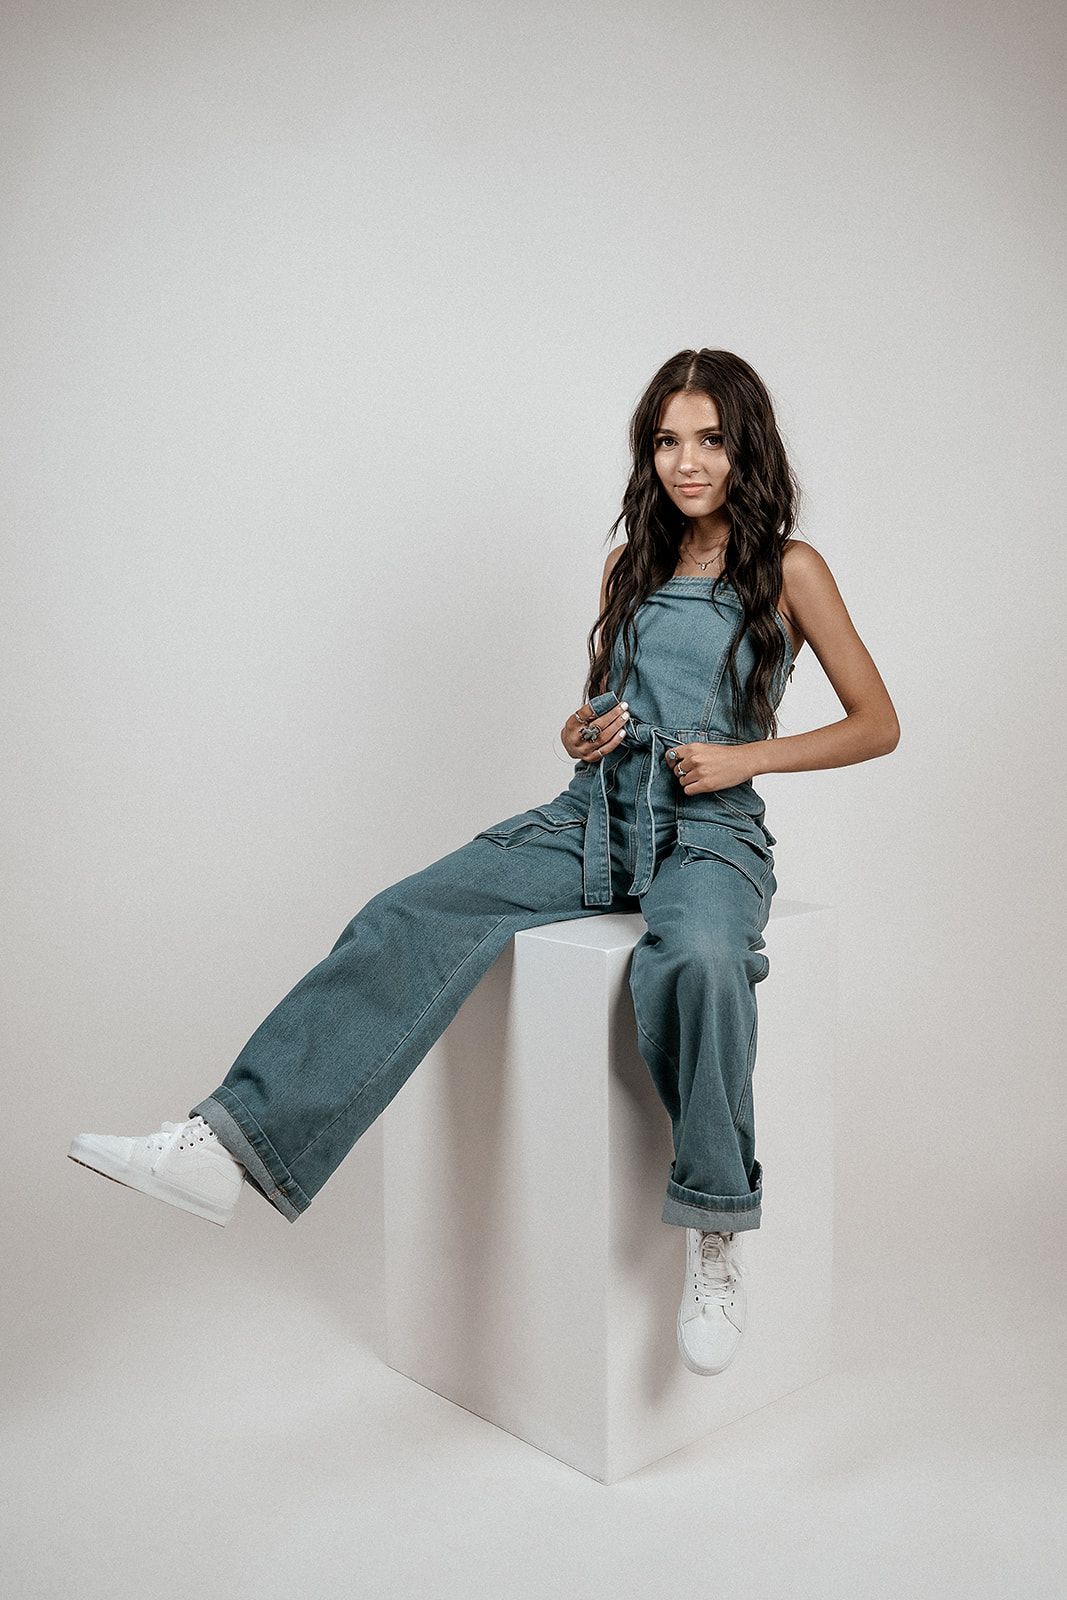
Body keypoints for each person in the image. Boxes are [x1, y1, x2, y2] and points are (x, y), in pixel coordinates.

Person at [69, 347, 899, 1377]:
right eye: (666, 440)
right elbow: (601, 705)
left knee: (701, 960)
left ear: (746, 448)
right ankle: (229, 1145)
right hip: (595, 815)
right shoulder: (628, 565)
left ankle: (715, 1227)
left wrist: (745, 756)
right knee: (407, 912)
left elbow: (876, 723)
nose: (686, 462)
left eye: (710, 440)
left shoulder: (788, 569)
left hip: (709, 830)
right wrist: (579, 731)